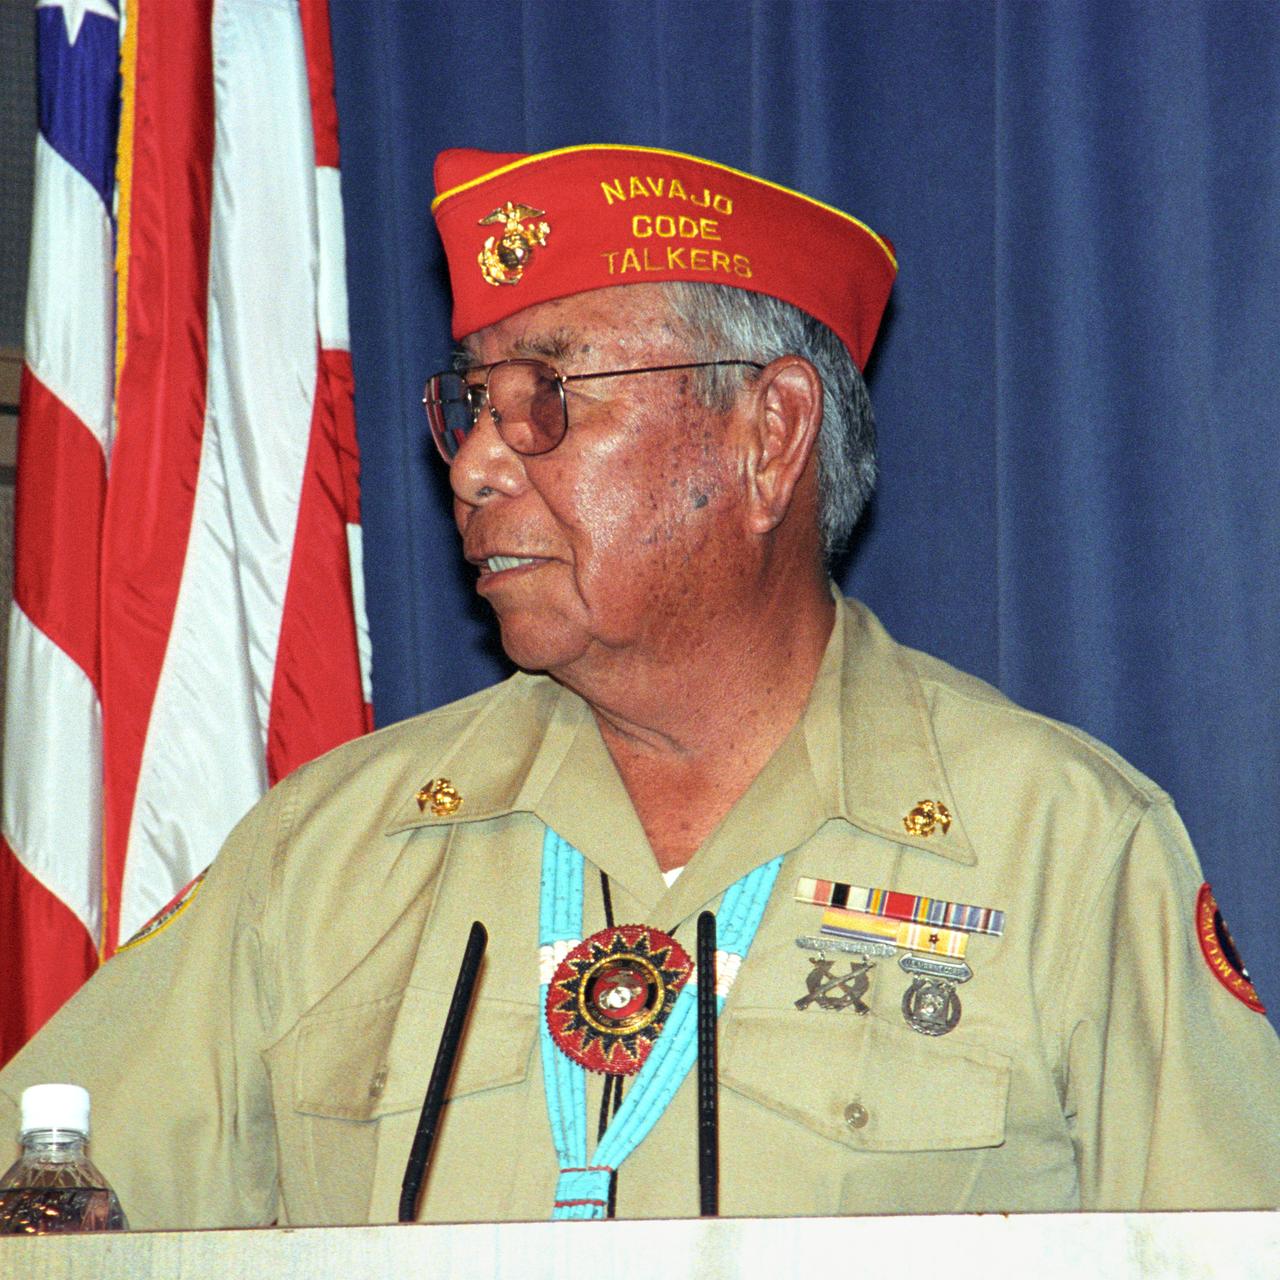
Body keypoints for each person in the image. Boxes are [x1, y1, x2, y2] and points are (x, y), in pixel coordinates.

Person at [1, 144, 1277, 1229]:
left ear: (768, 435)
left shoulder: (1060, 847)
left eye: (548, 395)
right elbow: (48, 1194)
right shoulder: (330, 852)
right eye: (470, 403)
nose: (476, 467)